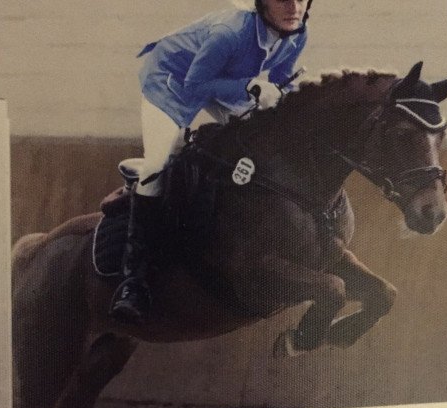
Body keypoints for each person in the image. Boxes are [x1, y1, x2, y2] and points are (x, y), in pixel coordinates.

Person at [109, 0, 313, 323]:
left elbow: (281, 79)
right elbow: (194, 86)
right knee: (158, 165)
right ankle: (133, 282)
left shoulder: (297, 33)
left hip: (221, 79)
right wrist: (249, 86)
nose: (294, 7)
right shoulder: (228, 33)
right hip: (173, 80)